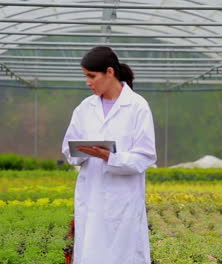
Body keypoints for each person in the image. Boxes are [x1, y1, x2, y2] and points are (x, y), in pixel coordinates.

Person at [61, 46, 157, 264]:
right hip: (91, 195)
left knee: (122, 255)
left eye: (91, 76)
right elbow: (68, 148)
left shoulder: (137, 107)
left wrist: (110, 157)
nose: (88, 82)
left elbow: (146, 156)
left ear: (110, 72)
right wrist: (81, 152)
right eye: (86, 76)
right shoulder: (85, 108)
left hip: (123, 200)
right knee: (91, 252)